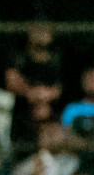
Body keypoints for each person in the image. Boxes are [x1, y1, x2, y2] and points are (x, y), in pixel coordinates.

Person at [4, 24, 64, 154]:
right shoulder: (19, 58)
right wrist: (30, 93)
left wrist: (48, 94)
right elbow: (11, 79)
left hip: (51, 120)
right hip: (23, 121)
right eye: (37, 31)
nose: (41, 36)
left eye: (44, 31)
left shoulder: (58, 59)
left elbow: (62, 86)